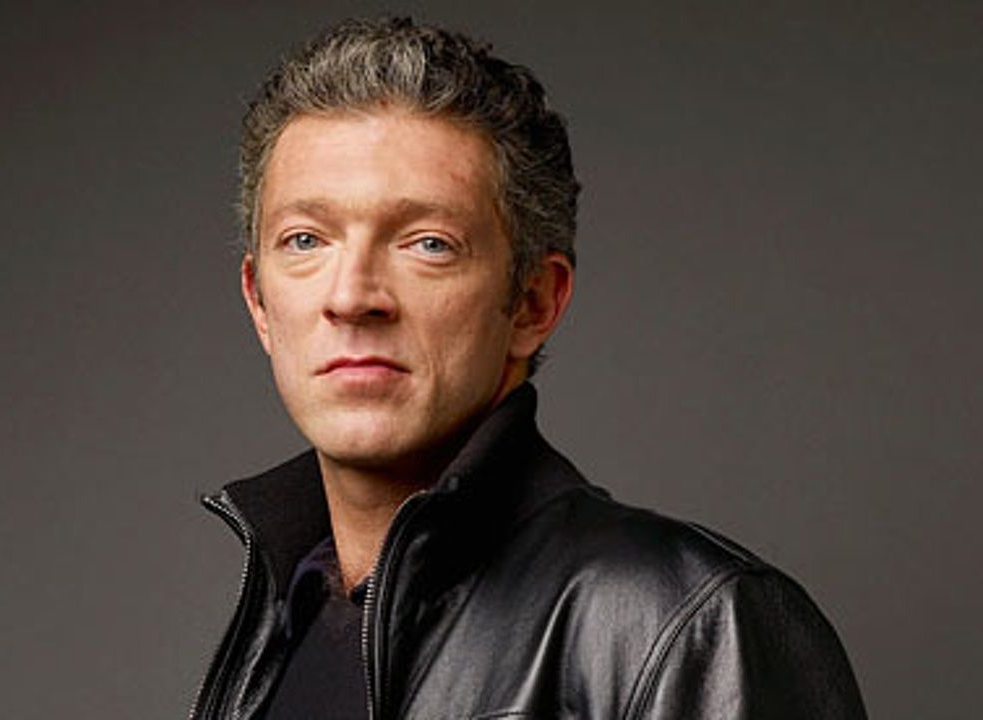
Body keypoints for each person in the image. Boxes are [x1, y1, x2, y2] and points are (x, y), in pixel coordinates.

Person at [192, 17, 867, 720]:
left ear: (534, 302)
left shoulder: (690, 626)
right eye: (306, 240)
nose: (352, 296)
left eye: (428, 243)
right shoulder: (278, 634)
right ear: (260, 301)